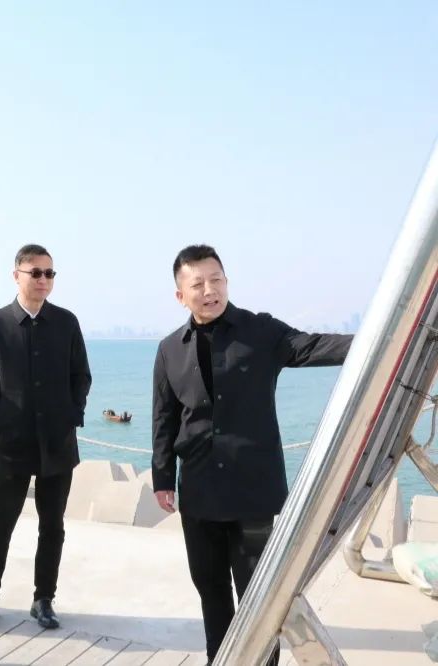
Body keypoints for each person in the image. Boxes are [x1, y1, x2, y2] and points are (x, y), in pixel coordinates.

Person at [152, 244, 352, 666]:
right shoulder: (170, 349)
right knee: (211, 592)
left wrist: (387, 338)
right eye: (198, 284)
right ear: (181, 295)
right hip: (199, 494)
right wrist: (162, 478)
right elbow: (165, 418)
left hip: (252, 495)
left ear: (226, 281)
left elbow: (312, 346)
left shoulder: (260, 331)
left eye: (216, 280)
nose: (210, 290)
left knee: (258, 600)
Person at [0, 244, 91, 632]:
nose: (43, 280)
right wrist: (2, 417)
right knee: (0, 523)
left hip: (58, 443)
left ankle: (44, 600)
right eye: (35, 272)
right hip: (13, 444)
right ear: (16, 275)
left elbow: (81, 376)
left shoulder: (67, 322)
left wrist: (72, 415)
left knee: (52, 526)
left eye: (49, 273)